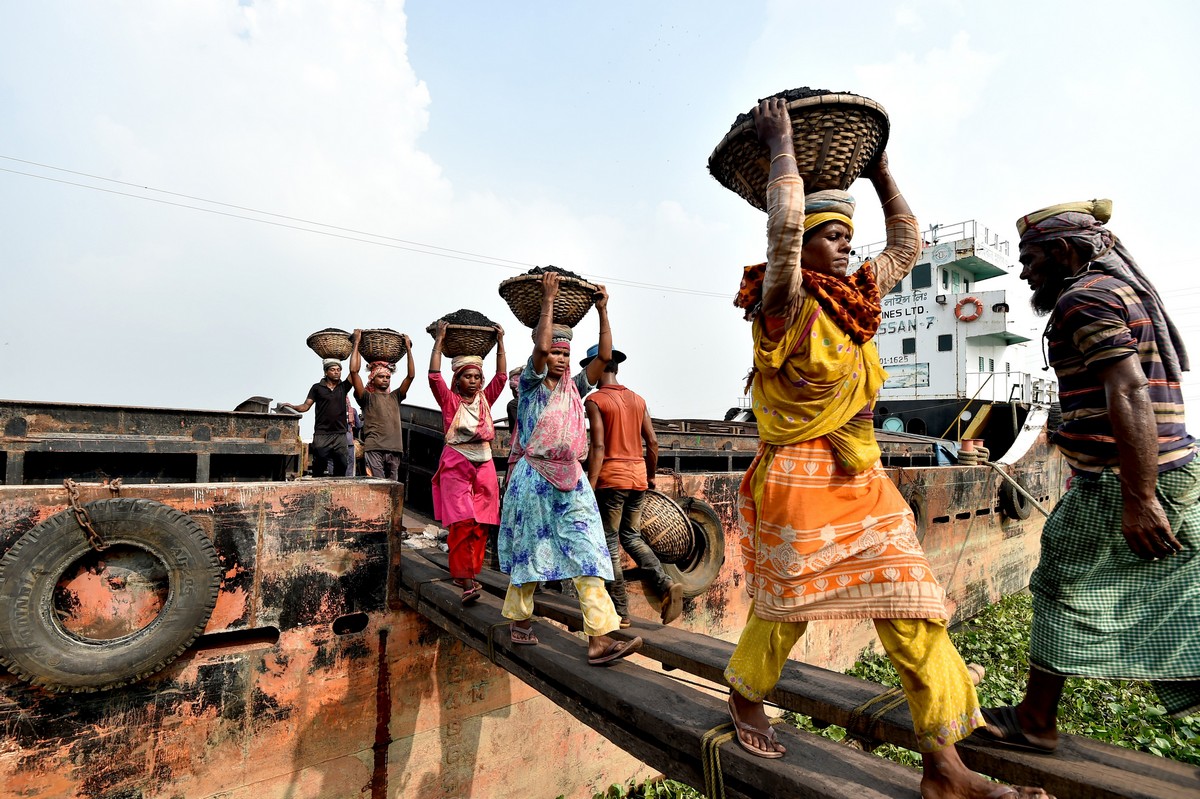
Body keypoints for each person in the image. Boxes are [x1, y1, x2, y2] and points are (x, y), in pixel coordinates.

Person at [724, 98, 1049, 799]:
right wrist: (783, 149)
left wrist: (882, 173)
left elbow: (906, 242)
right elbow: (782, 232)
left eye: (848, 234)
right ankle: (746, 692)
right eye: (832, 235)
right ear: (804, 246)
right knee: (784, 606)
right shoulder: (784, 301)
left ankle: (944, 766)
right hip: (798, 475)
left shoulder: (859, 296)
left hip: (864, 476)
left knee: (915, 603)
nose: (846, 244)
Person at [971, 200, 1198, 752]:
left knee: (1057, 585)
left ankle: (1036, 720)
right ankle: (1037, 715)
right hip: (1174, 469)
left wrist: (1140, 497)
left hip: (1124, 478)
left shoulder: (1083, 298)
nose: (1024, 271)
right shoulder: (1123, 291)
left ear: (1065, 250)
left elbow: (1128, 389)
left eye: (1030, 258)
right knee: (1181, 599)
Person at [498, 271, 643, 666]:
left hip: (571, 478)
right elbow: (540, 349)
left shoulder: (576, 388)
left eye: (565, 354)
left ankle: (599, 638)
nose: (559, 359)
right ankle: (519, 619)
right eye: (555, 354)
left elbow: (604, 357)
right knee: (531, 551)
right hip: (533, 479)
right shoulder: (530, 384)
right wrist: (548, 301)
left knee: (589, 551)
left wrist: (603, 311)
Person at [582, 344, 683, 627]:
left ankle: (621, 612)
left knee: (611, 543)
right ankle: (664, 583)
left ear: (599, 366)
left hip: (611, 480)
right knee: (632, 536)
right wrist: (650, 475)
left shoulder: (595, 400)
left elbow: (598, 445)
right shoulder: (638, 399)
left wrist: (590, 483)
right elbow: (652, 442)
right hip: (638, 477)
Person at [429, 321, 508, 604]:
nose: (473, 381)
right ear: (458, 381)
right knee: (462, 522)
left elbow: (502, 376)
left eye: (477, 377)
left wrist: (500, 342)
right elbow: (434, 376)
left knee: (482, 522)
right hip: (457, 460)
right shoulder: (450, 401)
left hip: (483, 460)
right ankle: (466, 579)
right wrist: (439, 340)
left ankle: (469, 571)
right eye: (468, 377)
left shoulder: (486, 400)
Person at [350, 329, 415, 480]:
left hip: (395, 449)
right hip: (375, 448)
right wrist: (357, 343)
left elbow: (411, 376)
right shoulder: (366, 397)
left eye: (387, 376)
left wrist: (408, 349)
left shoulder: (395, 396)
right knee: (378, 486)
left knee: (393, 488)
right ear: (372, 378)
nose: (386, 379)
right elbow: (354, 372)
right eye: (381, 376)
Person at [279, 358, 353, 477]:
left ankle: (338, 488)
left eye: (339, 370)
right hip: (321, 434)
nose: (336, 372)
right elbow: (306, 406)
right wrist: (293, 406)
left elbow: (354, 371)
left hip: (339, 433)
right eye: (333, 370)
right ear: (326, 372)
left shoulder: (343, 387)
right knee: (320, 462)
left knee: (342, 464)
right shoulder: (317, 388)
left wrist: (356, 345)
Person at [345, 396, 361, 476]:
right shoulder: (353, 411)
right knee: (349, 463)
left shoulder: (332, 410)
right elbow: (358, 426)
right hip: (348, 441)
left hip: (333, 441)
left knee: (332, 462)